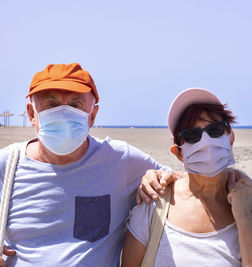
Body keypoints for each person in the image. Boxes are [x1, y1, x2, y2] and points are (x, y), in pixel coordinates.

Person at [0, 63, 169, 266]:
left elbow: (187, 183)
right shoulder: (6, 165)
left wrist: (157, 176)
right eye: (51, 105)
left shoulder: (120, 160)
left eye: (75, 105)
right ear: (31, 114)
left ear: (93, 116)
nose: (63, 114)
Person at [122, 88, 252, 266]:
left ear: (230, 138)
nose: (206, 141)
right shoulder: (155, 204)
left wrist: (243, 216)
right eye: (192, 135)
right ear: (178, 153)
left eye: (215, 130)